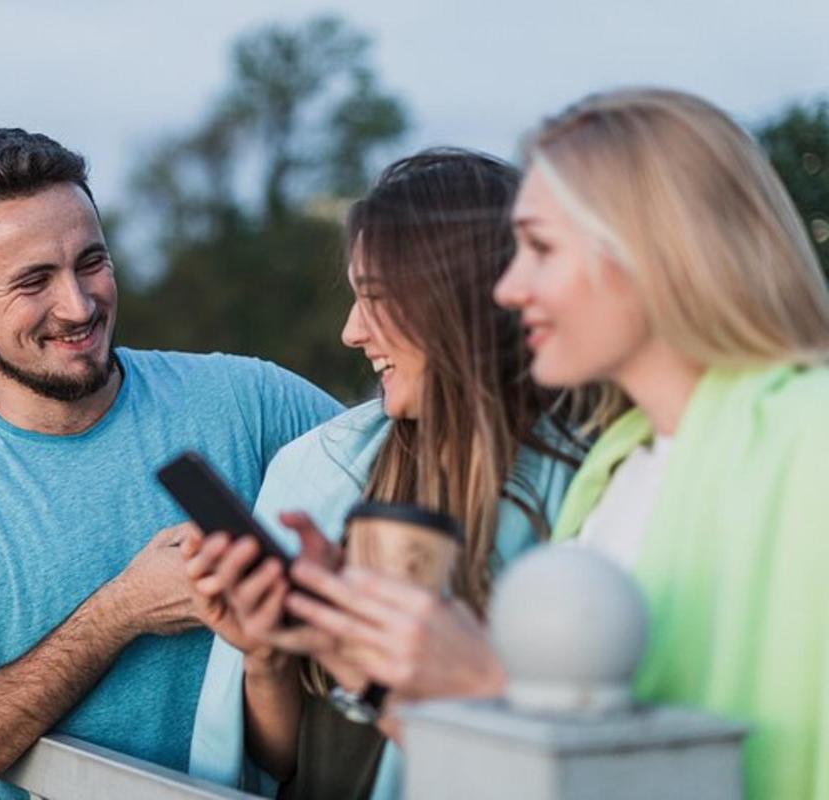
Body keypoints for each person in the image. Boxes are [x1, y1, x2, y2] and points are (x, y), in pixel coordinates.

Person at [277, 89, 829, 799]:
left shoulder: (809, 446)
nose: (508, 288)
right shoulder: (614, 475)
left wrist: (492, 689)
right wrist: (373, 663)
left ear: (651, 246)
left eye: (540, 247)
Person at [0, 129, 341, 800]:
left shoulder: (250, 400)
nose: (79, 306)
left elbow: (419, 481)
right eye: (33, 282)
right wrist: (121, 611)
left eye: (91, 262)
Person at [182, 149, 582, 800]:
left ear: (455, 302)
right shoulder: (316, 468)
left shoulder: (588, 491)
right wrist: (265, 656)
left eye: (373, 299)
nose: (350, 332)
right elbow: (277, 766)